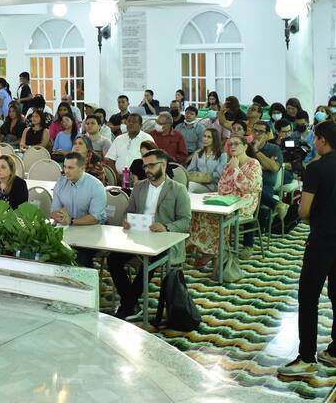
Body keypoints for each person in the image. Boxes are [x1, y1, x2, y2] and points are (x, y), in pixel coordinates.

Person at [278, 122, 336, 378]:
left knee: (309, 298)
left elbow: (303, 211)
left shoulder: (316, 168)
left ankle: (307, 358)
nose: (314, 143)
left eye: (316, 139)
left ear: (323, 140)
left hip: (322, 240)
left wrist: (306, 209)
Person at [110, 150, 190, 320]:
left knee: (148, 262)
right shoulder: (139, 186)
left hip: (163, 240)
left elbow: (185, 222)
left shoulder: (178, 190)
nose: (147, 169)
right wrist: (126, 220)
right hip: (137, 236)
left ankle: (128, 305)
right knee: (113, 259)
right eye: (145, 166)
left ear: (164, 165)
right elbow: (128, 212)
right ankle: (131, 302)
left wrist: (166, 227)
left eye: (151, 165)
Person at [188, 135, 261, 266]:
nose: (232, 147)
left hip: (245, 203)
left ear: (245, 146)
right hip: (228, 200)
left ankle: (213, 252)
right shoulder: (229, 164)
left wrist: (236, 169)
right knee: (199, 214)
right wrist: (226, 194)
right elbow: (222, 186)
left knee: (215, 218)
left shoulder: (253, 164)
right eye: (230, 144)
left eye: (236, 144)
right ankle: (207, 249)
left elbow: (248, 187)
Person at [187, 128, 227, 193]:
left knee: (190, 186)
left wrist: (203, 177)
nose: (205, 139)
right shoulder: (198, 153)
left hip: (213, 185)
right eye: (204, 136)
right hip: (198, 182)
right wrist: (197, 177)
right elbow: (190, 170)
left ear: (215, 139)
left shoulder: (222, 155)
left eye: (209, 137)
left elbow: (219, 174)